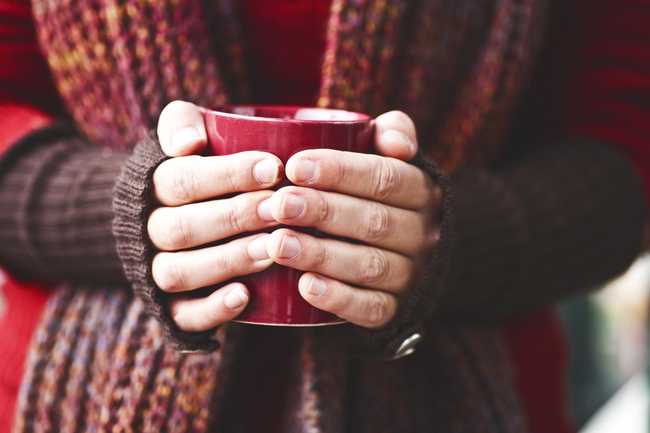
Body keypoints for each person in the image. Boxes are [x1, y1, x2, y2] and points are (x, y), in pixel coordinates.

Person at [0, 0, 648, 431]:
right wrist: (133, 212)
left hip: (468, 399)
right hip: (74, 398)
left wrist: (447, 241)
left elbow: (626, 147)